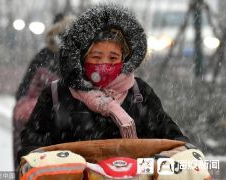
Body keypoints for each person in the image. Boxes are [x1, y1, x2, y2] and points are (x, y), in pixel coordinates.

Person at [18, 5, 190, 162]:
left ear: (124, 59)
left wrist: (179, 153)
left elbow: (172, 137)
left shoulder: (139, 93)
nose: (104, 65)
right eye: (96, 57)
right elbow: (32, 144)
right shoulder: (57, 94)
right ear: (82, 57)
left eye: (113, 58)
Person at [13, 14, 75, 170]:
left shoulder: (44, 55)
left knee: (29, 166)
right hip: (61, 126)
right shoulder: (78, 60)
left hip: (34, 125)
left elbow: (22, 91)